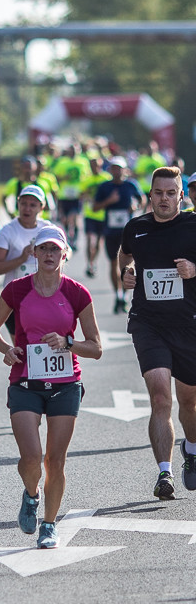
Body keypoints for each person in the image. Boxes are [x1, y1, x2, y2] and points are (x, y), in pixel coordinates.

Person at [0, 225, 101, 549]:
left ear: (65, 254)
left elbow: (96, 347)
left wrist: (69, 343)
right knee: (31, 458)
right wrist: (7, 349)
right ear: (34, 253)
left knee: (55, 460)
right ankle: (31, 494)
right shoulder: (18, 290)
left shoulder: (77, 293)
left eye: (55, 250)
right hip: (25, 381)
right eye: (44, 249)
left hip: (66, 385)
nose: (49, 255)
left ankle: (49, 525)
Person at [118, 166, 196, 501]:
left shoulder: (194, 225)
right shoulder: (137, 228)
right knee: (160, 396)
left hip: (189, 324)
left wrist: (195, 269)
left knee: (190, 401)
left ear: (182, 195)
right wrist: (128, 271)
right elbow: (124, 255)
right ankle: (164, 473)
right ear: (150, 195)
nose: (164, 199)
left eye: (170, 193)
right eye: (158, 193)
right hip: (148, 323)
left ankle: (190, 451)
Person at [0, 185, 52, 343]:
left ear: (41, 207)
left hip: (44, 298)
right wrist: (21, 259)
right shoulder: (8, 231)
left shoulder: (48, 229)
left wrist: (56, 256)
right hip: (15, 301)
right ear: (18, 204)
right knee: (23, 349)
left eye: (33, 205)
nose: (27, 209)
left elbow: (67, 251)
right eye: (23, 203)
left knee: (43, 348)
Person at [93, 156, 145, 313]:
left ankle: (126, 294)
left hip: (128, 233)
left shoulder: (131, 185)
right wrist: (109, 201)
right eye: (114, 168)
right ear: (110, 170)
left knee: (129, 264)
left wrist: (136, 206)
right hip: (111, 231)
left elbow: (142, 199)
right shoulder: (105, 187)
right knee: (113, 264)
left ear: (125, 170)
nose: (116, 171)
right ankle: (118, 294)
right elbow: (95, 207)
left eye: (119, 168)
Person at [79, 155, 112, 278]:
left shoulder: (106, 178)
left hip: (103, 214)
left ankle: (94, 261)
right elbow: (81, 195)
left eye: (96, 165)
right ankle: (90, 263)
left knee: (99, 242)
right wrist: (87, 196)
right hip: (90, 213)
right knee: (89, 239)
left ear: (100, 165)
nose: (94, 168)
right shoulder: (86, 179)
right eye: (92, 166)